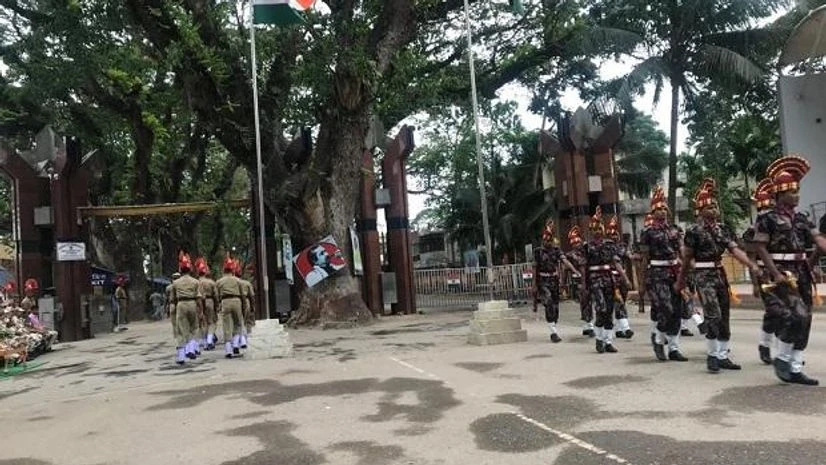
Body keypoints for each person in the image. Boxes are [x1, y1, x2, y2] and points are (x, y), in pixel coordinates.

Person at [752, 155, 826, 385]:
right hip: (782, 273)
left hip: (801, 272)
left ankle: (795, 367)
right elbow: (760, 247)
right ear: (780, 195)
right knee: (796, 315)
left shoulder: (802, 218)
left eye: (797, 191)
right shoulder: (767, 218)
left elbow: (819, 242)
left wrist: (812, 263)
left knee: (806, 319)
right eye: (792, 192)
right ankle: (782, 358)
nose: (797, 195)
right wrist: (774, 273)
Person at [679, 179, 760, 373]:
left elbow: (734, 250)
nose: (714, 209)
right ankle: (712, 356)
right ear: (700, 209)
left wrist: (751, 264)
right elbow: (687, 257)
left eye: (715, 206)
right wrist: (681, 279)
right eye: (710, 206)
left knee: (724, 315)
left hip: (719, 274)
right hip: (703, 275)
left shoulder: (723, 229)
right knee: (713, 314)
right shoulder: (693, 231)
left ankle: (723, 355)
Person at [639, 186, 687, 362]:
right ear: (653, 212)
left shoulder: (675, 230)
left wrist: (687, 268)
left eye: (664, 208)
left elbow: (681, 251)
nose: (662, 212)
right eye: (659, 209)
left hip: (675, 272)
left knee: (677, 311)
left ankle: (674, 348)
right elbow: (644, 258)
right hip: (657, 273)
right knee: (665, 308)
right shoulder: (647, 232)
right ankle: (659, 340)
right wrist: (642, 283)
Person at [581, 207, 630, 354]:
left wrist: (625, 278)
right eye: (594, 229)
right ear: (591, 230)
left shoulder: (608, 245)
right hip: (594, 280)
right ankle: (599, 339)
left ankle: (608, 341)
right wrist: (584, 284)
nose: (597, 232)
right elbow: (583, 266)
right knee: (601, 308)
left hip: (609, 280)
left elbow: (616, 263)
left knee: (609, 311)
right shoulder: (587, 247)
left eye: (599, 229)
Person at [743, 177, 776, 364]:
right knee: (773, 310)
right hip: (764, 275)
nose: (767, 212)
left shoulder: (781, 224)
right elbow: (752, 258)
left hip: (784, 273)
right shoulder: (752, 232)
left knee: (788, 312)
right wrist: (755, 284)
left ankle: (783, 353)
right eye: (763, 209)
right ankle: (765, 344)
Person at [533, 219, 580, 343]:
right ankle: (553, 332)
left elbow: (565, 261)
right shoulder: (538, 252)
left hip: (554, 279)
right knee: (548, 302)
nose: (548, 242)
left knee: (555, 307)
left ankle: (553, 325)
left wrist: (574, 270)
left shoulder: (556, 250)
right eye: (546, 240)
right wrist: (534, 285)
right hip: (543, 280)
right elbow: (535, 268)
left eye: (549, 240)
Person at [169, 252, 204, 364]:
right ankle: (191, 350)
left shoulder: (176, 283)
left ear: (180, 269)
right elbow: (198, 298)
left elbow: (173, 299)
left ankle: (181, 357)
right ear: (190, 269)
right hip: (192, 304)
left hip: (181, 305)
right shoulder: (195, 282)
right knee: (194, 328)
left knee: (181, 330)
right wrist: (201, 311)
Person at [607, 215, 634, 339]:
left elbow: (629, 256)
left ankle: (618, 329)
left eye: (615, 234)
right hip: (610, 278)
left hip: (621, 277)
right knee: (619, 302)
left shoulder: (622, 246)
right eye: (611, 234)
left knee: (621, 301)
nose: (614, 237)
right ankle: (626, 328)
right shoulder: (605, 247)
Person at [565, 226, 593, 337]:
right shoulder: (571, 255)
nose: (577, 245)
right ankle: (588, 324)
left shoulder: (586, 251)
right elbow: (565, 269)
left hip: (589, 279)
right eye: (574, 243)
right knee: (584, 302)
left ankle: (587, 324)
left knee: (589, 302)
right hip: (579, 282)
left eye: (578, 243)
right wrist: (562, 283)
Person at [216, 255, 245, 358]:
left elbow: (216, 294)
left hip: (225, 301)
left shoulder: (219, 281)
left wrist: (218, 305)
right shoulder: (238, 281)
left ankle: (228, 349)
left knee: (227, 325)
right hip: (237, 300)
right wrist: (244, 307)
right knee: (238, 324)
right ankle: (236, 344)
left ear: (224, 269)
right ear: (232, 269)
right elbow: (243, 294)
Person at [195, 257, 219, 350]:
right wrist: (217, 306)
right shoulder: (211, 282)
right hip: (209, 302)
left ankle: (203, 342)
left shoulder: (195, 282)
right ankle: (209, 340)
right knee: (211, 322)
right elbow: (216, 295)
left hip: (197, 303)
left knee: (202, 323)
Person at [234, 260, 255, 347]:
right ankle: (245, 339)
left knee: (237, 322)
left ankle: (238, 340)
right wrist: (253, 306)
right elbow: (252, 296)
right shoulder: (247, 283)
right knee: (246, 321)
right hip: (246, 301)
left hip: (236, 301)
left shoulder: (232, 282)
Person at [166, 272, 181, 340]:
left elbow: (167, 298)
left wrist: (167, 307)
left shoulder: (168, 287)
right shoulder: (181, 286)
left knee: (174, 322)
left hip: (172, 305)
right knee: (181, 321)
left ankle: (176, 336)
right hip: (180, 304)